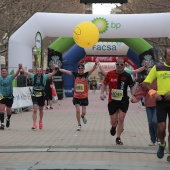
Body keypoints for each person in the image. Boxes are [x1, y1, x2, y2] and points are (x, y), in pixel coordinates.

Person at [143, 48, 170, 162]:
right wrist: (154, 94)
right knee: (161, 128)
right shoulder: (158, 67)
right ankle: (162, 144)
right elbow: (146, 83)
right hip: (161, 100)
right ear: (165, 57)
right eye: (169, 55)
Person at [100, 57, 135, 145]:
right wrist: (102, 93)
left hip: (123, 101)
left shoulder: (127, 76)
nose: (119, 66)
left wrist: (134, 96)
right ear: (115, 64)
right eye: (118, 64)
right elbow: (104, 83)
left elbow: (132, 87)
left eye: (121, 64)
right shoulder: (110, 74)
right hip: (112, 101)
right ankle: (113, 126)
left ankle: (118, 138)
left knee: (121, 118)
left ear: (124, 65)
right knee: (113, 120)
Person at [57, 61, 99, 131]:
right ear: (78, 69)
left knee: (83, 112)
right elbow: (66, 71)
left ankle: (82, 116)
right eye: (79, 68)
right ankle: (79, 124)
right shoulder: (75, 74)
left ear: (84, 69)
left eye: (82, 69)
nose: (80, 70)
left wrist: (96, 63)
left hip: (84, 97)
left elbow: (93, 69)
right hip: (76, 96)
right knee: (78, 110)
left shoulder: (86, 75)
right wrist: (58, 68)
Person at [21, 64, 58, 130]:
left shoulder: (45, 76)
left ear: (42, 72)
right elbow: (26, 72)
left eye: (40, 71)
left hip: (42, 95)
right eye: (37, 71)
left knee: (41, 110)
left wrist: (56, 68)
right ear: (35, 72)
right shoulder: (33, 76)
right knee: (35, 109)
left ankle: (40, 121)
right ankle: (34, 124)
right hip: (34, 95)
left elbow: (53, 73)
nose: (39, 72)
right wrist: (21, 67)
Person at [131, 68, 158, 146]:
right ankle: (153, 140)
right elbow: (141, 92)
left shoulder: (160, 81)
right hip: (148, 105)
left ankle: (159, 137)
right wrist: (135, 98)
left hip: (158, 104)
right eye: (149, 72)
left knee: (155, 121)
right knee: (150, 123)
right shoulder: (146, 82)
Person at [0, 64, 22, 130]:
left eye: (5, 71)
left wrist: (19, 68)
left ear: (7, 72)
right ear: (1, 72)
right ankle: (2, 124)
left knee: (9, 111)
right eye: (2, 71)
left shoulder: (10, 77)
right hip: (1, 96)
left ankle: (8, 119)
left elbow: (16, 74)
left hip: (9, 96)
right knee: (1, 109)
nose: (4, 72)